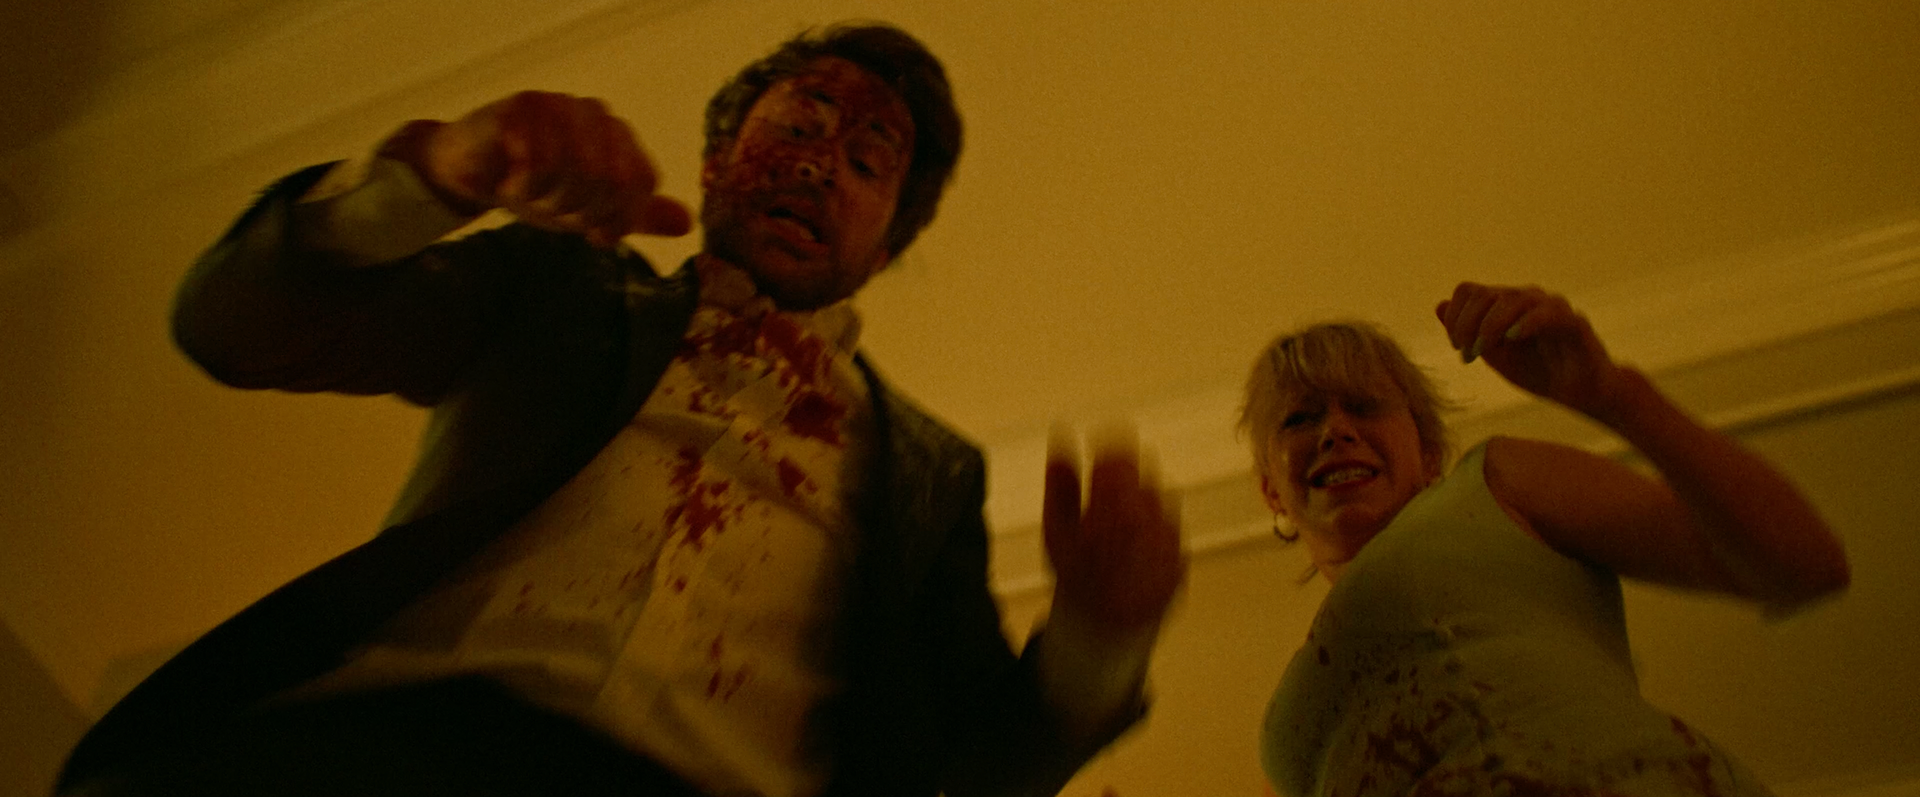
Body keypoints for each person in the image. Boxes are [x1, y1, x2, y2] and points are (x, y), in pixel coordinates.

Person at [57, 22, 1184, 797]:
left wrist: (1105, 631)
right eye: (799, 125)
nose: (818, 166)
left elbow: (977, 765)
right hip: (375, 751)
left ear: (886, 242)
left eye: (867, 158)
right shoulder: (560, 285)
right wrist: (433, 174)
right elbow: (231, 324)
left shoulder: (933, 471)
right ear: (716, 162)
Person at [1242, 282, 1849, 797]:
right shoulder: (1288, 725)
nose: (1336, 431)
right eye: (1300, 418)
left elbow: (1801, 565)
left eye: (1364, 405)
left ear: (1428, 454)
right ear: (1271, 490)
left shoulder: (1491, 484)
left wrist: (1613, 395)